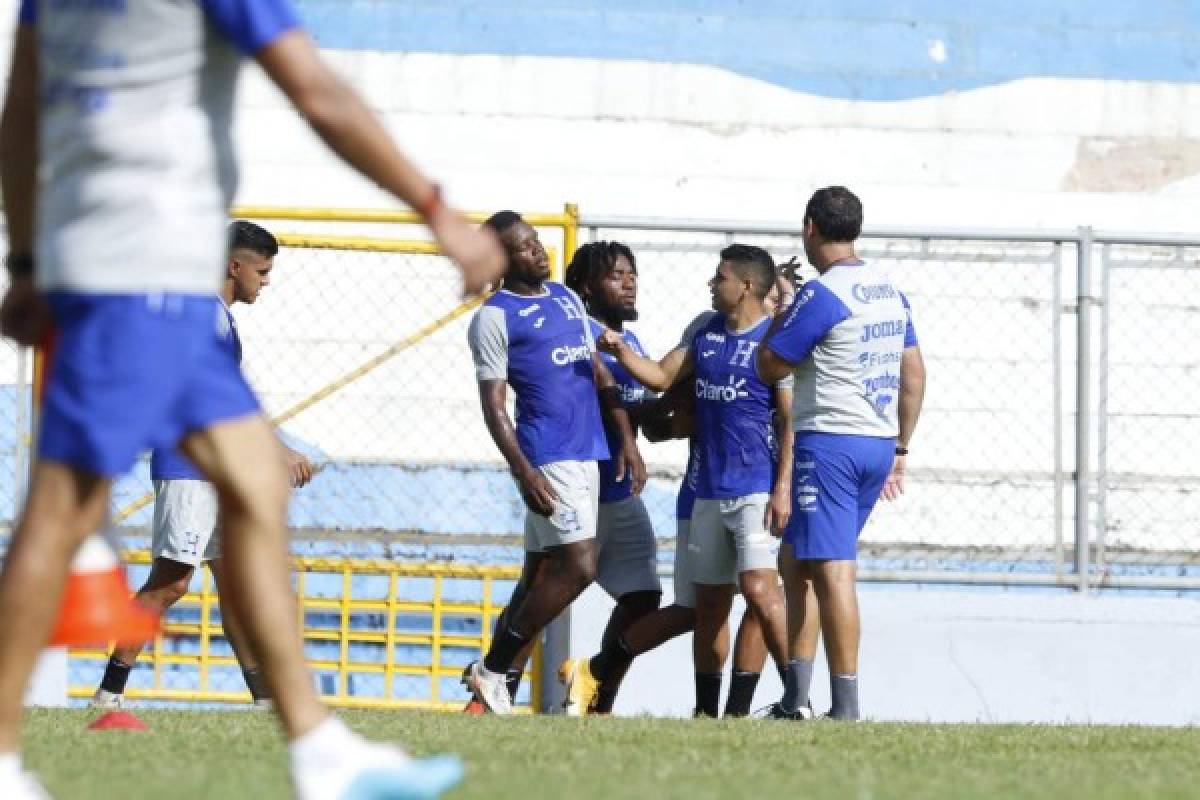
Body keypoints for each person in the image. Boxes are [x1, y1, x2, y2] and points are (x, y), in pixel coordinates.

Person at [0, 1, 503, 797]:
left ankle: (317, 746)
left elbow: (20, 112)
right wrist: (437, 210)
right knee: (61, 506)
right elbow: (317, 92)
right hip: (144, 275)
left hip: (122, 272)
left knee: (253, 484)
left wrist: (27, 260)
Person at [92, 221, 315, 710]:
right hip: (189, 468)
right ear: (235, 266)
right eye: (262, 269)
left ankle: (263, 701)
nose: (267, 280)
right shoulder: (206, 318)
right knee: (171, 582)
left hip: (214, 471)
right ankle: (108, 693)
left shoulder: (217, 317)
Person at [596, 244, 792, 718]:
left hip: (757, 490)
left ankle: (797, 696)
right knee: (708, 609)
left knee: (762, 593)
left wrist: (783, 487)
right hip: (705, 491)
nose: (711, 282)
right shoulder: (704, 332)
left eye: (719, 276)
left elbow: (791, 422)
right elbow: (662, 377)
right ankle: (708, 713)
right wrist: (619, 350)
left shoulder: (773, 344)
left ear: (745, 285)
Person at [463, 213, 646, 716]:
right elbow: (494, 406)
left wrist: (626, 439)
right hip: (549, 455)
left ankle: (493, 694)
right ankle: (494, 671)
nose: (539, 252)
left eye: (537, 242)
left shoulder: (566, 299)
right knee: (579, 567)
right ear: (503, 259)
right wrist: (524, 471)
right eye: (524, 248)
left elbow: (595, 367)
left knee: (538, 577)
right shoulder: (494, 318)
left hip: (589, 452)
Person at [757, 186, 926, 721]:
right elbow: (914, 373)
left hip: (829, 441)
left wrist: (781, 316)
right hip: (876, 443)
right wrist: (900, 447)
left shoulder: (824, 294)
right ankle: (795, 699)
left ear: (810, 227)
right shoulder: (888, 290)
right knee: (798, 561)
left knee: (833, 571)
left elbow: (770, 366)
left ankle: (845, 707)